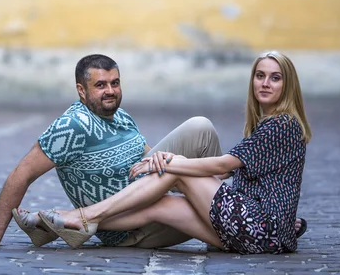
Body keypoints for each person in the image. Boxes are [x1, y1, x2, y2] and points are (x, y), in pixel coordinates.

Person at [30, 51, 311, 254]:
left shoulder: (281, 124)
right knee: (161, 206)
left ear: (288, 86)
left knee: (174, 169)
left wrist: (172, 162)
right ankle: (83, 225)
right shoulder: (269, 123)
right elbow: (233, 172)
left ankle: (82, 215)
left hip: (257, 229)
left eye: (275, 78)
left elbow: (225, 165)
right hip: (259, 234)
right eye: (260, 76)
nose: (265, 83)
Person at [0, 54, 225, 250]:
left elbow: (151, 162)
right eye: (100, 85)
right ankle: (234, 225)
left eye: (115, 83)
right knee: (180, 191)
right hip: (130, 227)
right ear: (81, 91)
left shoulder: (121, 116)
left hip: (147, 196)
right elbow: (21, 174)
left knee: (200, 129)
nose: (111, 91)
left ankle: (232, 209)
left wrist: (180, 172)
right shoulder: (71, 127)